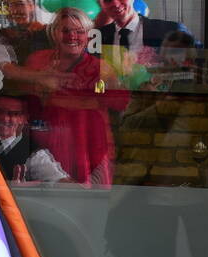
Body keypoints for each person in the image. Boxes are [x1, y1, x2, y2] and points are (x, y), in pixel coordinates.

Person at [20, 6, 128, 186]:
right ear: (54, 33)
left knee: (90, 202)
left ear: (88, 36)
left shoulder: (101, 68)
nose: (72, 37)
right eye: (66, 30)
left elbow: (121, 102)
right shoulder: (37, 60)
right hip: (45, 143)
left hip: (90, 143)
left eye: (80, 32)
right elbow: (24, 100)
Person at [98, 0, 186, 66]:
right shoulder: (98, 36)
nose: (116, 4)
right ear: (101, 4)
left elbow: (194, 69)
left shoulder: (172, 29)